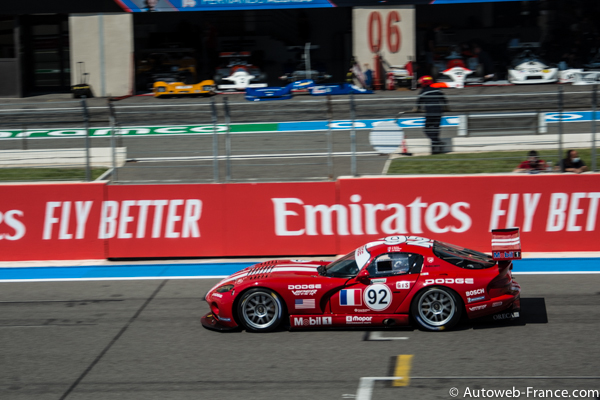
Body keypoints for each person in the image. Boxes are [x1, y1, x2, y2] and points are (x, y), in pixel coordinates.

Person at [411, 75, 448, 154]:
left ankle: (436, 142)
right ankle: (436, 149)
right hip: (439, 111)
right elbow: (444, 99)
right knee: (436, 129)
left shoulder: (423, 91)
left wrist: (416, 109)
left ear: (424, 83)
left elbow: (418, 102)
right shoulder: (437, 90)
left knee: (426, 129)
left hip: (430, 112)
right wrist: (446, 108)